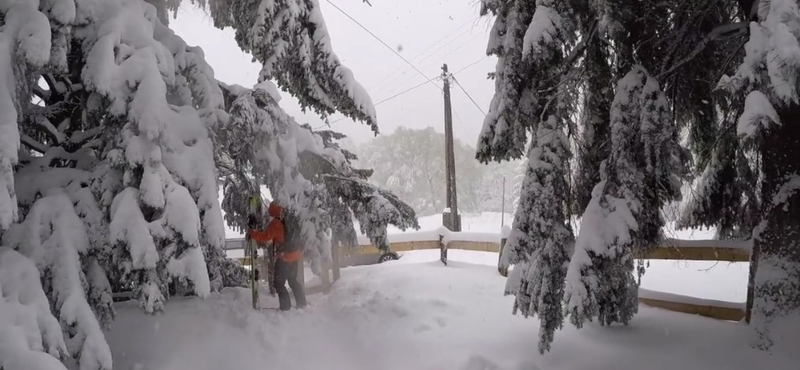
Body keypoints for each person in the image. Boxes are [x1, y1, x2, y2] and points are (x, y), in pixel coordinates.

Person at [246, 201, 307, 310]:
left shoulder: (275, 223)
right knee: (293, 280)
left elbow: (265, 236)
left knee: (278, 283)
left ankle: (285, 307)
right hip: (295, 255)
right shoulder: (288, 220)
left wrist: (252, 233)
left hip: (284, 257)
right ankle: (302, 304)